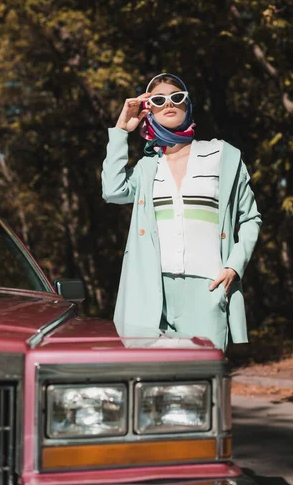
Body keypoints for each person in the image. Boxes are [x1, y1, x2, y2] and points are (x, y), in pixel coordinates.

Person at [102, 73, 261, 351]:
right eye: (158, 99)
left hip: (207, 288)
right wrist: (121, 129)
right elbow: (112, 190)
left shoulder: (221, 155)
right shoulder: (147, 167)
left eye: (177, 97)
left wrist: (234, 265)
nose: (168, 103)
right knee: (152, 382)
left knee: (201, 380)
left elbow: (250, 218)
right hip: (150, 292)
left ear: (188, 104)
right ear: (148, 110)